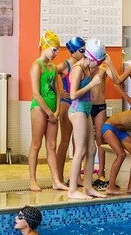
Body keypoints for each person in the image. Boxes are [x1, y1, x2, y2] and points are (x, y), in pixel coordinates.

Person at [67, 38, 106, 200]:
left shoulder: (88, 68)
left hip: (86, 110)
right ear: (89, 58)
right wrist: (92, 84)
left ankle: (88, 187)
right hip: (77, 111)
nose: (97, 66)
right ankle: (72, 189)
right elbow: (73, 94)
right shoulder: (77, 69)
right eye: (97, 62)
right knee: (81, 150)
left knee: (92, 149)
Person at [28, 30, 66, 192]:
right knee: (36, 144)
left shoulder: (53, 67)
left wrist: (56, 111)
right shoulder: (37, 66)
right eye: (54, 49)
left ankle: (56, 180)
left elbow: (57, 90)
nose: (57, 53)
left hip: (52, 110)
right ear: (45, 47)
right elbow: (36, 93)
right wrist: (49, 113)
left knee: (51, 145)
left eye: (58, 49)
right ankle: (32, 180)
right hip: (38, 108)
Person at [90, 47, 122, 191]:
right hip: (85, 107)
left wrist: (110, 63)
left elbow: (117, 80)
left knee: (99, 139)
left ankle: (101, 174)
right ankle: (85, 173)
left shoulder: (103, 68)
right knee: (85, 141)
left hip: (100, 106)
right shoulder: (84, 66)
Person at [56, 37, 85, 184]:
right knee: (65, 141)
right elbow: (50, 75)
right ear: (73, 51)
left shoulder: (83, 65)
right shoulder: (64, 66)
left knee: (78, 143)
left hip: (79, 104)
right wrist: (59, 91)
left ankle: (76, 178)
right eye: (81, 50)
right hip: (67, 103)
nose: (84, 52)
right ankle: (59, 179)